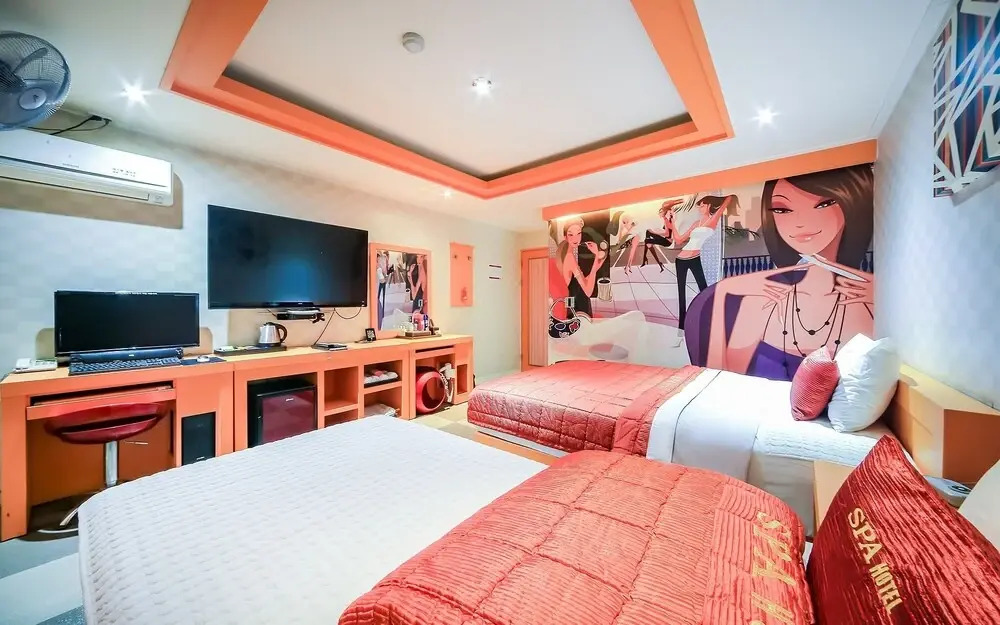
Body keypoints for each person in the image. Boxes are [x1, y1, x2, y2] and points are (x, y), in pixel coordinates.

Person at [706, 165, 874, 380]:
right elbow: (716, 380)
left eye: (823, 204)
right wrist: (723, 290)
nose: (800, 222)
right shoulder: (760, 302)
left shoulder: (870, 302)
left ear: (853, 203)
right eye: (782, 210)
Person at [671, 194, 732, 330]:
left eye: (702, 205)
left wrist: (727, 195)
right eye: (699, 206)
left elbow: (726, 203)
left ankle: (710, 321)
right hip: (681, 260)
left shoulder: (713, 220)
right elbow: (679, 240)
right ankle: (681, 329)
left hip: (695, 258)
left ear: (709, 205)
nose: (699, 208)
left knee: (704, 290)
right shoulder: (696, 223)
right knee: (682, 294)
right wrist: (673, 222)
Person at [557, 217, 606, 318]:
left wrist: (598, 260)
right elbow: (588, 291)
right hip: (579, 310)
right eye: (571, 234)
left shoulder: (568, 255)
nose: (575, 238)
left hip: (577, 307)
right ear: (565, 237)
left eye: (578, 233)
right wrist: (596, 256)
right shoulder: (570, 258)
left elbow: (582, 282)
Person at [641, 198, 684, 271]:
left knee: (647, 240)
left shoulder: (667, 220)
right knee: (648, 235)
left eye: (660, 212)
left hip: (667, 242)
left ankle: (646, 259)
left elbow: (667, 234)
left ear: (664, 212)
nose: (659, 213)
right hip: (665, 240)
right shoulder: (668, 219)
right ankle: (646, 258)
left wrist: (654, 232)